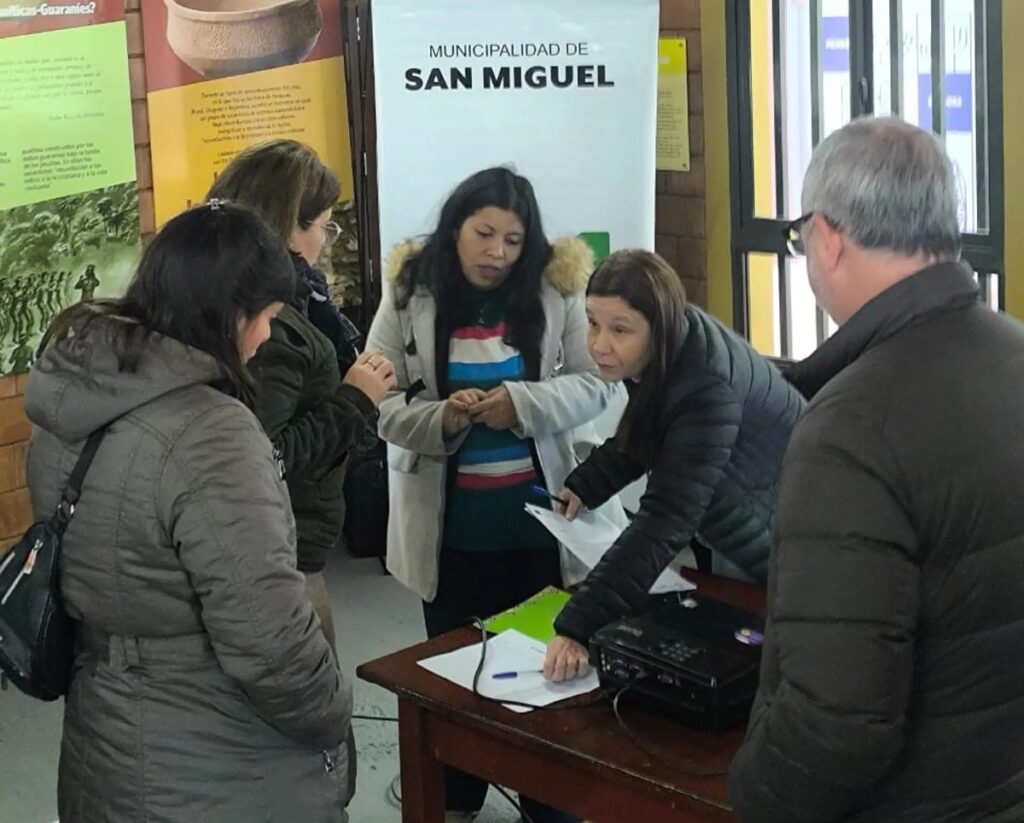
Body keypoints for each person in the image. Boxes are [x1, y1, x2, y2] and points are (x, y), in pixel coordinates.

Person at [728, 117, 1024, 822]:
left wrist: (751, 799)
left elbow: (834, 725)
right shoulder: (1013, 351)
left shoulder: (851, 427)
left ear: (828, 238)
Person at [24, 202, 352, 822]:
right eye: (267, 319)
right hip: (217, 762)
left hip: (101, 734)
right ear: (230, 314)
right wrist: (333, 717)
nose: (265, 340)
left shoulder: (72, 399)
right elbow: (269, 641)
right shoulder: (212, 434)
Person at [366, 166, 624, 823]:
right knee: (455, 676)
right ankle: (457, 795)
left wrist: (522, 404)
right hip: (448, 537)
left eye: (512, 240)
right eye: (484, 234)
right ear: (455, 227)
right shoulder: (409, 292)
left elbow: (598, 383)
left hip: (540, 532)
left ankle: (547, 801)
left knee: (545, 678)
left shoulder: (557, 288)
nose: (497, 253)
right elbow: (379, 399)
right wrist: (442, 419)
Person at [544, 249, 805, 680]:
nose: (598, 344)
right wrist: (590, 482)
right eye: (592, 323)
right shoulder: (673, 343)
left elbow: (666, 517)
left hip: (780, 535)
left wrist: (577, 626)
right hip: (741, 517)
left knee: (754, 666)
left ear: (658, 326)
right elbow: (655, 424)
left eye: (620, 329)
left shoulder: (705, 384)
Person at [207, 139, 395, 657]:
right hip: (279, 553)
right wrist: (355, 399)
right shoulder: (273, 325)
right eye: (325, 228)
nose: (329, 242)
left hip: (273, 546)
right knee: (312, 690)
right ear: (290, 228)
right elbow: (266, 458)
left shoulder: (259, 298)